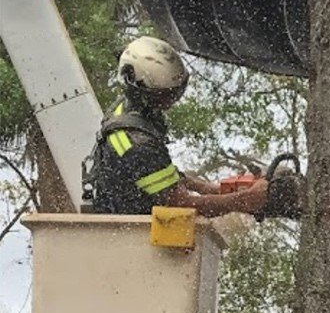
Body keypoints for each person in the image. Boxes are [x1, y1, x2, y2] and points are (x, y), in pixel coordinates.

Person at [84, 36, 269, 216]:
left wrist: (206, 188)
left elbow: (155, 170)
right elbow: (182, 205)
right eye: (165, 95)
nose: (171, 101)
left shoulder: (129, 110)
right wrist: (244, 200)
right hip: (131, 233)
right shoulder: (137, 142)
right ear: (138, 87)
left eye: (177, 92)